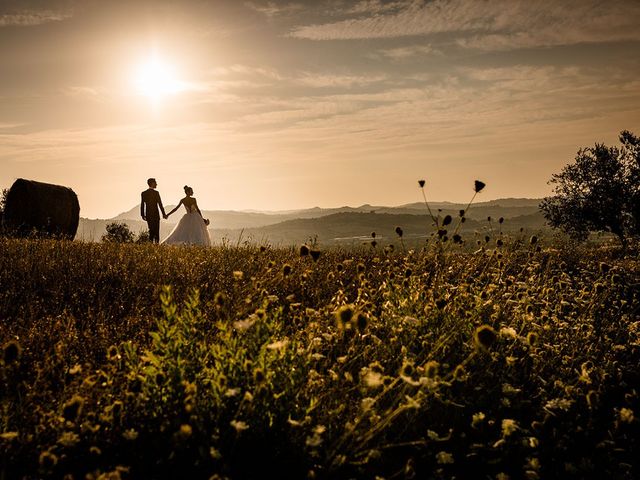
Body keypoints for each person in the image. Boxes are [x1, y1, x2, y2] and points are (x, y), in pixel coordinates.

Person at [140, 178, 167, 243]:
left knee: (151, 231)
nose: (156, 184)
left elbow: (142, 205)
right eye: (155, 183)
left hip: (148, 215)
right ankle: (156, 246)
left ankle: (150, 245)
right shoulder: (156, 193)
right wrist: (163, 214)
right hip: (156, 215)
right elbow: (160, 204)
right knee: (156, 231)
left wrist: (142, 215)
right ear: (152, 183)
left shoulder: (144, 193)